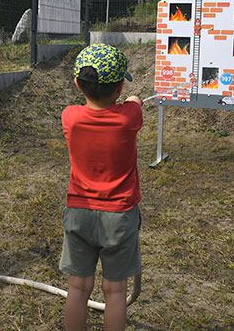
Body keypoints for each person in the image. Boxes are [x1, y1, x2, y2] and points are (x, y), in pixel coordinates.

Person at [60, 43, 143, 331]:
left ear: (77, 84)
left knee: (79, 286)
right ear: (119, 88)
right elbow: (133, 106)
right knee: (115, 291)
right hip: (119, 215)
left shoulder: (69, 116)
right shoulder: (130, 117)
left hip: (79, 211)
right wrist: (134, 99)